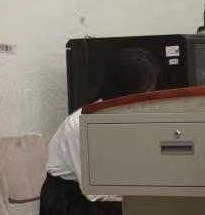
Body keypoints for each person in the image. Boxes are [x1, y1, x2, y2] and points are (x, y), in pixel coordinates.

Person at [39, 48, 160, 215]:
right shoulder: (81, 125)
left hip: (109, 195)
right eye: (143, 95)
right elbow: (97, 193)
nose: (147, 102)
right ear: (124, 91)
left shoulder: (129, 119)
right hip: (70, 200)